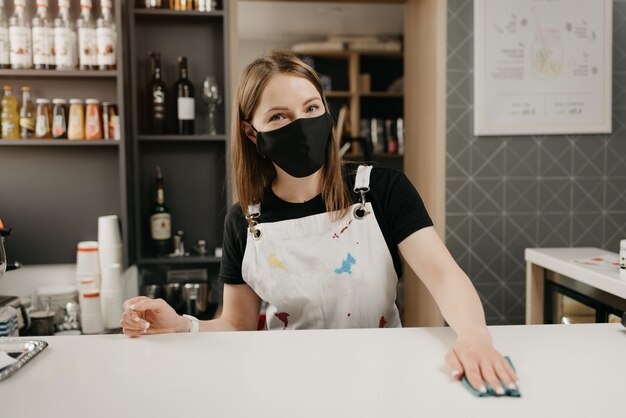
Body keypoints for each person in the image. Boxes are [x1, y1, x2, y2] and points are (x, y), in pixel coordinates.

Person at [120, 50, 519, 395]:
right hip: (285, 384)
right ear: (251, 132)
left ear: (326, 112)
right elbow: (237, 324)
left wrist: (473, 337)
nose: (301, 125)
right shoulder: (244, 221)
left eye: (311, 109)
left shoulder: (381, 190)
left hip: (383, 377)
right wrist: (182, 325)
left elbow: (444, 276)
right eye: (279, 116)